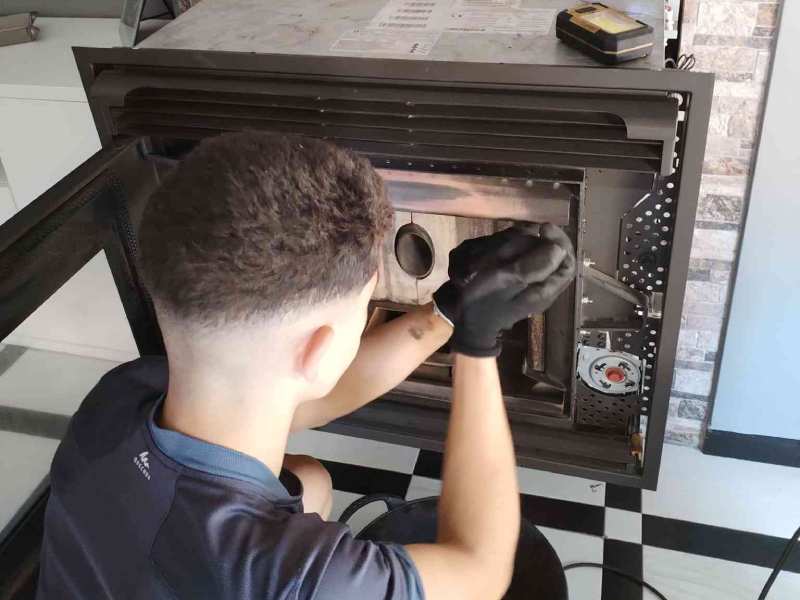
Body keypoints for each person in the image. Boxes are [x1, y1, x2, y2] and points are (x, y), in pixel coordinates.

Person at [36, 132, 576, 600]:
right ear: (318, 351)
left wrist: (450, 311)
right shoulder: (293, 577)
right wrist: (479, 347)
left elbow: (303, 399)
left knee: (309, 481)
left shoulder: (119, 396)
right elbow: (480, 570)